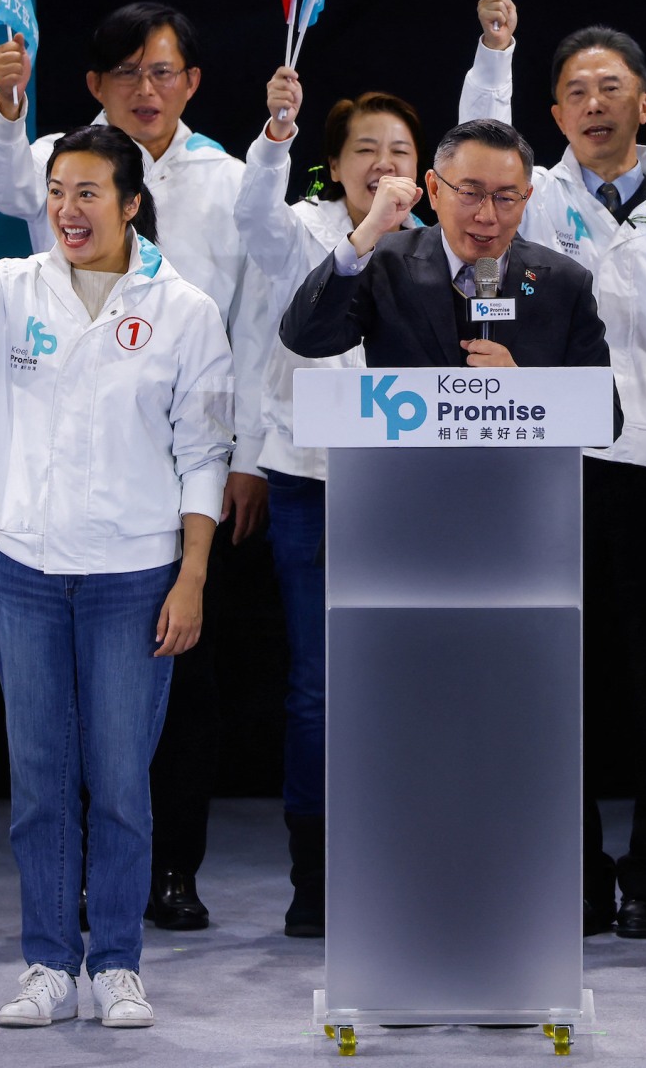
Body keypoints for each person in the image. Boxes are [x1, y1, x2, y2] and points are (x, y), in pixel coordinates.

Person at [0, 127, 233, 1029]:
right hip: (27, 574)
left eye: (88, 193)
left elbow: (204, 451)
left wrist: (193, 576)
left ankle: (116, 963)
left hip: (135, 578)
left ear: (131, 203)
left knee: (119, 784)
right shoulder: (11, 289)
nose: (68, 211)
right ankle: (47, 962)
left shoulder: (185, 309)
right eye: (56, 192)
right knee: (40, 782)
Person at [460, 0, 646, 939]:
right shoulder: (529, 202)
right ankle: (574, 877)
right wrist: (497, 50)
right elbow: (476, 144)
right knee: (556, 680)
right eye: (577, 91)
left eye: (611, 87)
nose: (594, 104)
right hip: (548, 465)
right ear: (554, 114)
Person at [0, 7, 267, 929]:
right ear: (95, 85)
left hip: (184, 469)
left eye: (163, 71)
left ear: (192, 82)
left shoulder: (228, 179)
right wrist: (8, 106)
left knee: (182, 686)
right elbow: (0, 182)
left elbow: (254, 317)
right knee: (58, 725)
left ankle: (170, 871)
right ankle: (67, 899)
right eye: (127, 72)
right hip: (68, 475)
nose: (146, 89)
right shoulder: (59, 159)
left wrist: (248, 455)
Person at [235, 66, 429, 936]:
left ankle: (400, 861)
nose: (384, 164)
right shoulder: (302, 232)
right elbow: (250, 214)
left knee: (404, 681)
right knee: (319, 686)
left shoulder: (438, 248)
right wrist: (275, 134)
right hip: (311, 481)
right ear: (337, 164)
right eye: (366, 150)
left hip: (412, 489)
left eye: (400, 151)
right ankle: (313, 875)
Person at [281, 118, 610, 371]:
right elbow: (306, 339)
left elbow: (606, 417)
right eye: (470, 193)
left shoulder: (565, 282)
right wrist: (366, 233)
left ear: (526, 198)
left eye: (506, 197)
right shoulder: (386, 263)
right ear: (434, 190)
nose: (486, 215)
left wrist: (526, 392)